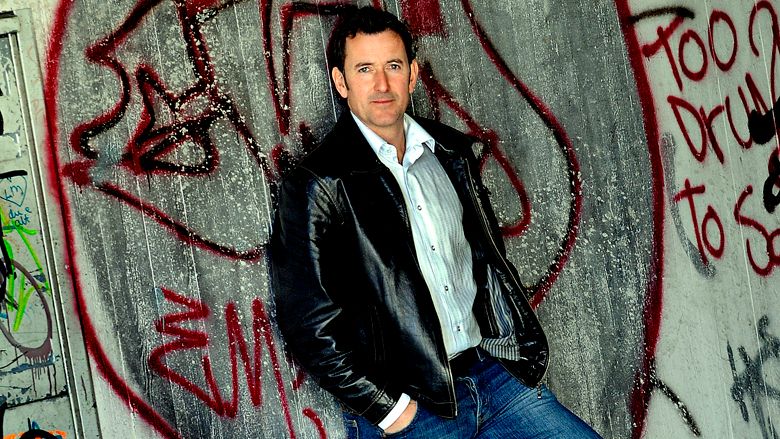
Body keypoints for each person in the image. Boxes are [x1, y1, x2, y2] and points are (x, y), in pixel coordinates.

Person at [270, 6, 603, 438]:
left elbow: (487, 261)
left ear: (412, 74)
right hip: (414, 406)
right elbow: (308, 323)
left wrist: (513, 351)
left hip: (495, 376)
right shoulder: (319, 183)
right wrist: (390, 410)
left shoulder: (450, 152)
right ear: (341, 81)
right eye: (365, 69)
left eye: (393, 66)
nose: (381, 84)